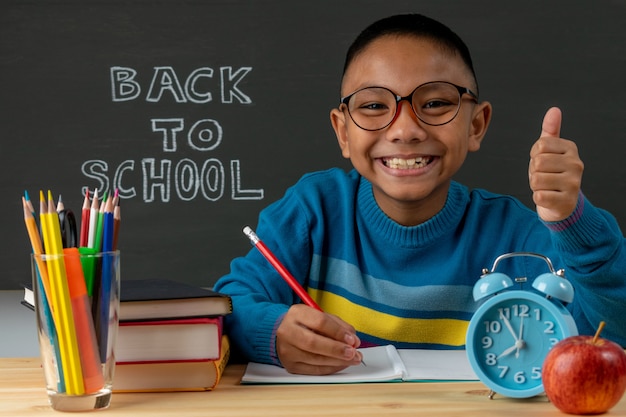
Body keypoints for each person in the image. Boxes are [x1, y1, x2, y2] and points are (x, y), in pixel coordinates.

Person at [214, 13, 626, 376]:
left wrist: (573, 222)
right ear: (342, 131)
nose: (405, 129)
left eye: (435, 103)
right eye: (374, 106)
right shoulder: (314, 210)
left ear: (477, 125)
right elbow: (228, 305)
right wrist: (272, 333)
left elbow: (608, 337)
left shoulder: (517, 238)